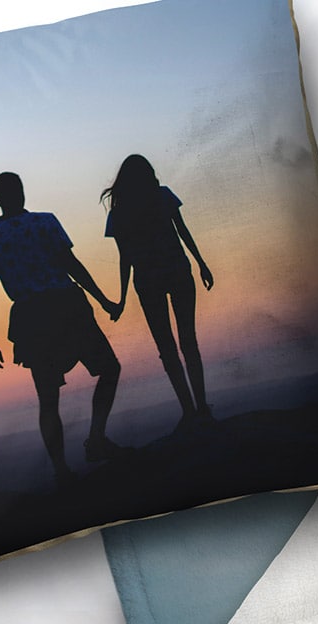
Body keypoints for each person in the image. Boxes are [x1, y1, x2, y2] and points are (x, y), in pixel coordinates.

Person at [0, 171, 121, 485]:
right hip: (66, 305)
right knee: (109, 369)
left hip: (31, 318)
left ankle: (61, 470)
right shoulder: (44, 222)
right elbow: (71, 265)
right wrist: (104, 300)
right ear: (22, 193)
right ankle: (96, 439)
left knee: (48, 397)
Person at [101, 154, 213, 429]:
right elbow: (182, 231)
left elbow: (124, 257)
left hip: (147, 281)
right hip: (177, 271)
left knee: (167, 348)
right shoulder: (163, 196)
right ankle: (201, 407)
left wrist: (123, 297)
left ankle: (189, 411)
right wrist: (201, 263)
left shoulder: (119, 212)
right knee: (189, 341)